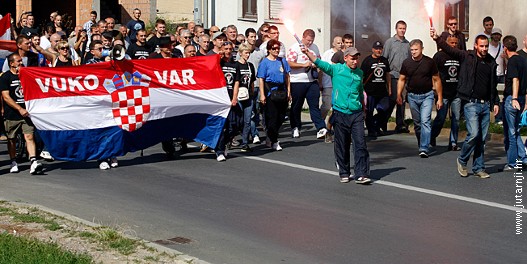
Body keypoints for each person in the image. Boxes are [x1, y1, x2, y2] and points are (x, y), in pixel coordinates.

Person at [431, 29, 500, 179]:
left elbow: (492, 85)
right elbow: (450, 49)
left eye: (486, 46)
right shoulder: (467, 56)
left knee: (481, 139)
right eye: (481, 46)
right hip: (471, 103)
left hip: (485, 104)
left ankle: (479, 168)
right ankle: (462, 159)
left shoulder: (491, 62)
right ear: (475, 45)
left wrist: (495, 102)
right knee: (474, 134)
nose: (484, 49)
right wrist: (437, 39)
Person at [303, 46, 372, 184]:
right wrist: (307, 52)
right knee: (342, 144)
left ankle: (361, 174)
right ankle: (344, 171)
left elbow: (360, 92)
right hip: (340, 113)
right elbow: (319, 63)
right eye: (352, 58)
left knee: (360, 143)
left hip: (356, 113)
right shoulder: (337, 70)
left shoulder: (359, 73)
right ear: (345, 58)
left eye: (356, 58)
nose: (355, 61)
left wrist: (363, 109)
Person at [397, 39, 442, 157]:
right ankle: (422, 142)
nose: (413, 52)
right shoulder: (406, 63)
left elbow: (437, 80)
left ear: (422, 49)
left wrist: (440, 98)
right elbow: (402, 79)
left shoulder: (429, 62)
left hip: (427, 95)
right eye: (411, 50)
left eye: (416, 50)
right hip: (412, 96)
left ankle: (424, 148)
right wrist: (399, 94)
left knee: (425, 121)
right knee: (417, 124)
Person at [1, 53, 44, 174]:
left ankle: (33, 161)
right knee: (12, 139)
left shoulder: (26, 75)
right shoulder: (5, 77)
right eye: (18, 61)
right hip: (12, 114)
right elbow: (6, 97)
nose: (21, 63)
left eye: (21, 61)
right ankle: (13, 161)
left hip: (27, 113)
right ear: (11, 63)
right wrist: (19, 109)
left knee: (29, 136)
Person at [287, 29, 327, 139]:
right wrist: (303, 65)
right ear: (303, 37)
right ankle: (295, 127)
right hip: (297, 81)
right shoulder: (294, 48)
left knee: (314, 105)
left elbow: (319, 61)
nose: (310, 43)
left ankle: (320, 127)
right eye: (308, 40)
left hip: (311, 81)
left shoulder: (315, 48)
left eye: (312, 40)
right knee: (296, 106)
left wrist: (316, 68)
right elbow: (289, 63)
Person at [257, 39, 291, 151]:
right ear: (269, 50)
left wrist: (289, 91)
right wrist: (262, 94)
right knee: (273, 117)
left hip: (282, 91)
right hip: (270, 91)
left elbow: (287, 76)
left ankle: (271, 136)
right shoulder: (265, 63)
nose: (276, 50)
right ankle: (275, 140)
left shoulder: (282, 61)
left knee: (281, 117)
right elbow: (261, 79)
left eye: (278, 48)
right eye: (274, 48)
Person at [430, 35, 462, 151]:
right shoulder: (439, 56)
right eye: (451, 43)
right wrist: (434, 89)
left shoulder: (459, 55)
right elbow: (433, 73)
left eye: (455, 43)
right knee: (441, 117)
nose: (453, 45)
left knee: (456, 118)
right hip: (442, 93)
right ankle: (432, 136)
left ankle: (453, 143)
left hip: (456, 93)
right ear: (446, 43)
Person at [501, 35, 527, 171]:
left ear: (505, 48)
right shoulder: (523, 60)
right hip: (522, 98)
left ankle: (513, 163)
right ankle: (523, 157)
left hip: (513, 98)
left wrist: (514, 98)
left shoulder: (512, 61)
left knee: (511, 132)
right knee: (515, 130)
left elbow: (515, 79)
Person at [383, 20, 411, 133]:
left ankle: (400, 124)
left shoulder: (407, 44)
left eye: (404, 28)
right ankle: (383, 121)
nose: (402, 30)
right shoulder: (390, 42)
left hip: (403, 76)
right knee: (393, 99)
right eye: (400, 28)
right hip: (392, 76)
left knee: (402, 100)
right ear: (396, 29)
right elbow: (384, 59)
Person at [215, 41, 240, 161]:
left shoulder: (235, 65)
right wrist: (218, 58)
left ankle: (225, 143)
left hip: (231, 98)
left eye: (230, 49)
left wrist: (234, 97)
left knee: (234, 126)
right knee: (222, 126)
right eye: (226, 48)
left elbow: (236, 82)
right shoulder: (217, 63)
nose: (228, 51)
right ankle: (219, 150)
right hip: (220, 98)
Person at [361, 41, 391, 137]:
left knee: (385, 109)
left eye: (380, 49)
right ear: (373, 49)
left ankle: (376, 125)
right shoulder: (367, 61)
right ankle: (371, 130)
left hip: (382, 91)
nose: (378, 50)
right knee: (369, 112)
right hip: (370, 91)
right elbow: (362, 76)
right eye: (377, 49)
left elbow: (387, 75)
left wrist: (389, 88)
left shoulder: (385, 60)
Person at [233, 43, 256, 152]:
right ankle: (230, 138)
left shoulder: (250, 66)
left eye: (249, 53)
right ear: (240, 53)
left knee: (247, 120)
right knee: (238, 120)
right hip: (238, 95)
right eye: (246, 53)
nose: (247, 55)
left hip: (248, 96)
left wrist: (252, 93)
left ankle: (245, 143)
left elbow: (252, 81)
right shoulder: (236, 65)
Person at [320, 36, 342, 123]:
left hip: (339, 85)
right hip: (328, 84)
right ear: (333, 44)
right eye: (338, 43)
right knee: (326, 106)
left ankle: (332, 126)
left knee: (336, 107)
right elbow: (321, 68)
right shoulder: (327, 54)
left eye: (341, 43)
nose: (340, 45)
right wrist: (320, 82)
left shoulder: (343, 54)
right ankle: (320, 123)